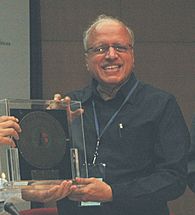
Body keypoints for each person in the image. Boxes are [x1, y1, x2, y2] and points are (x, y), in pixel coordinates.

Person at [22, 14, 190, 215]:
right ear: (87, 60)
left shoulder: (161, 104)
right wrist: (50, 130)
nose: (111, 55)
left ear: (132, 55)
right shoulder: (68, 106)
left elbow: (175, 179)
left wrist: (113, 193)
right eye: (100, 49)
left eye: (120, 47)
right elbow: (44, 172)